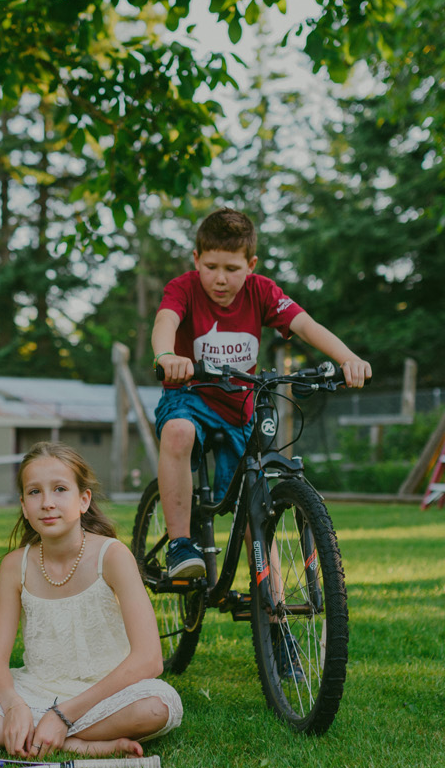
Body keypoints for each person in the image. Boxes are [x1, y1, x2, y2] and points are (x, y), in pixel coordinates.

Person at [0, 442, 181, 757]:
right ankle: (69, 742)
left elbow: (149, 659)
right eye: (35, 492)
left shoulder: (113, 556)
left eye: (60, 489)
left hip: (104, 696)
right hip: (32, 691)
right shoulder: (14, 567)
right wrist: (12, 706)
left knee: (158, 706)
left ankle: (26, 737)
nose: (47, 502)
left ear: (83, 500)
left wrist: (64, 715)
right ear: (23, 505)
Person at [152, 206, 371, 579]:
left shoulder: (262, 292)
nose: (220, 279)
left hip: (240, 408)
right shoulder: (184, 288)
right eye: (211, 267)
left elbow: (306, 324)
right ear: (196, 260)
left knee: (255, 506)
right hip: (191, 396)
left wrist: (347, 358)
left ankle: (274, 612)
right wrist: (167, 354)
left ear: (251, 264)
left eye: (232, 269)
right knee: (178, 432)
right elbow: (165, 320)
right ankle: (180, 545)